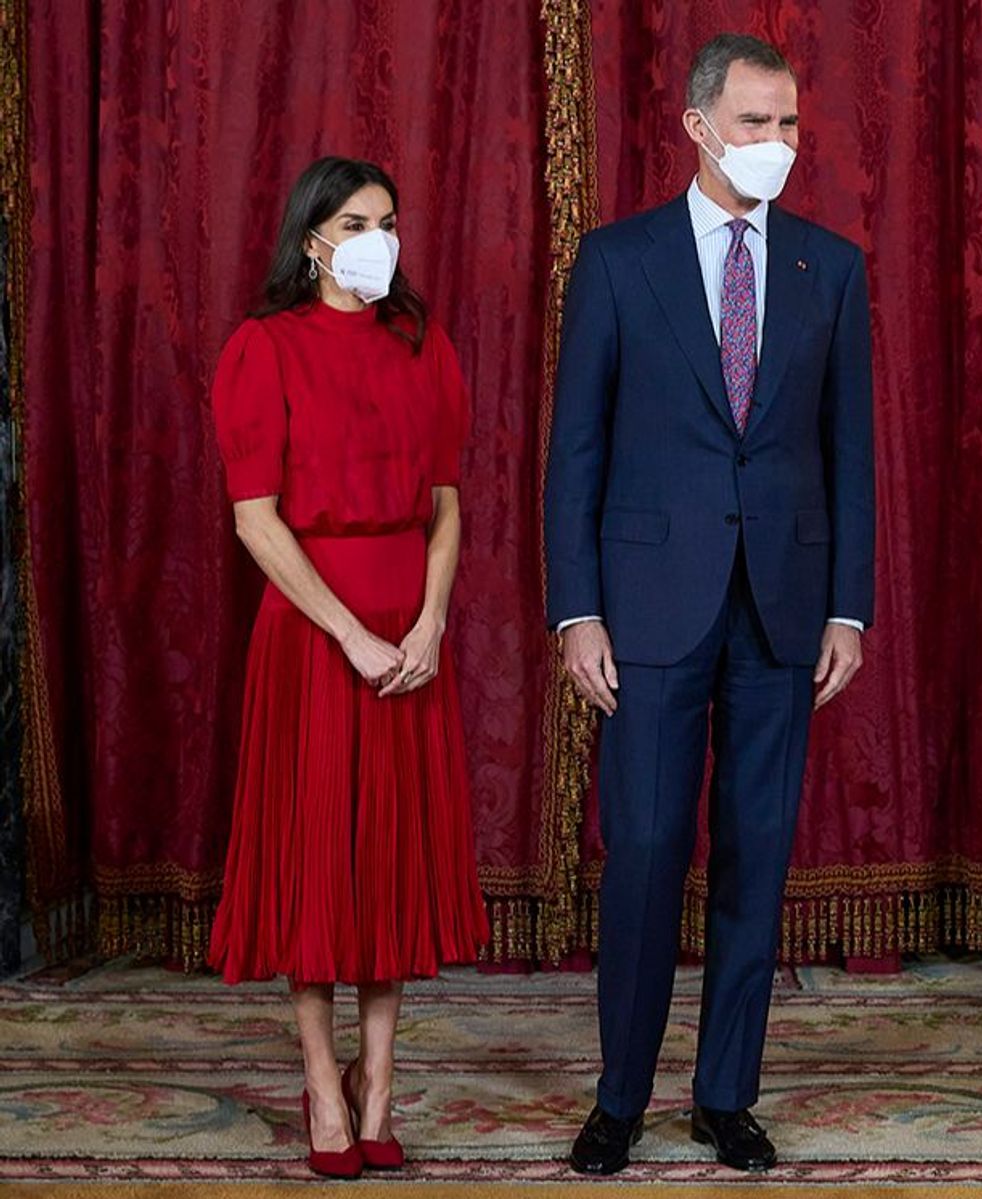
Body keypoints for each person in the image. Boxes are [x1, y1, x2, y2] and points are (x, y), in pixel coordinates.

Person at [545, 33, 874, 1175]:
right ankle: (620, 1094)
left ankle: (726, 1091)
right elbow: (573, 449)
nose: (776, 144)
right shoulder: (618, 261)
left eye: (788, 124)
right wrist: (574, 609)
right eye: (753, 123)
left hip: (783, 611)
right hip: (644, 607)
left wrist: (849, 609)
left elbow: (850, 454)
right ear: (695, 125)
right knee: (639, 847)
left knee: (756, 852)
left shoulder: (829, 268)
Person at [206, 156, 489, 1179]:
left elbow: (448, 504)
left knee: (388, 863)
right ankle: (322, 1081)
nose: (382, 237)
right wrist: (351, 634)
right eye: (360, 220)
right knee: (320, 855)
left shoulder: (421, 342)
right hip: (315, 630)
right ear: (314, 237)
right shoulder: (263, 347)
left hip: (407, 630)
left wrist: (430, 621)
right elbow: (255, 519)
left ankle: (379, 1079)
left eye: (392, 220)